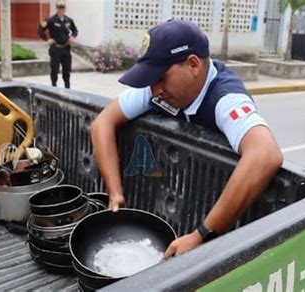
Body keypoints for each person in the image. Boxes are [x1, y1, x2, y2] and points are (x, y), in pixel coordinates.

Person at [90, 20, 283, 258]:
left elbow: (265, 155)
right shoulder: (157, 87)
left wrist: (201, 236)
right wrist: (115, 192)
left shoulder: (226, 99)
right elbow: (102, 123)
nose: (154, 89)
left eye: (160, 77)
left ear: (193, 64)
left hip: (220, 225)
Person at [38, 0, 78, 89]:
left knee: (67, 71)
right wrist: (47, 39)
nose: (61, 10)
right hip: (55, 49)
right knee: (54, 70)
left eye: (62, 8)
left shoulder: (69, 20)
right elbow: (40, 29)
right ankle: (54, 87)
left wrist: (72, 37)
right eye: (59, 8)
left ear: (65, 9)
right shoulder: (50, 20)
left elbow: (75, 30)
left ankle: (67, 88)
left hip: (66, 49)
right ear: (56, 9)